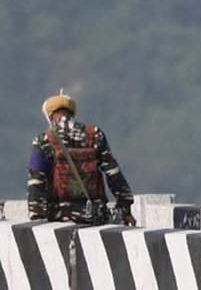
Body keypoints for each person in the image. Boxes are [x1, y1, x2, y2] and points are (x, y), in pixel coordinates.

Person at [27, 92, 136, 226]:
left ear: (50, 116)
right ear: (72, 114)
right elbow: (113, 173)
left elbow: (36, 182)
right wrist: (125, 209)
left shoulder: (43, 140)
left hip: (58, 218)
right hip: (94, 216)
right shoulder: (94, 134)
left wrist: (37, 220)